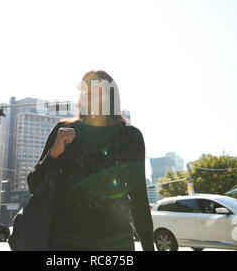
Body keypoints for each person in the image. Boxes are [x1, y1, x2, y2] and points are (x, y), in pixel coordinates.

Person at [27, 70, 154, 251]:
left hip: (117, 241)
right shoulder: (63, 131)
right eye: (84, 88)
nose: (88, 92)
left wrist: (149, 247)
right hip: (68, 240)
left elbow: (139, 198)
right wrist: (54, 153)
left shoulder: (131, 136)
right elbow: (34, 185)